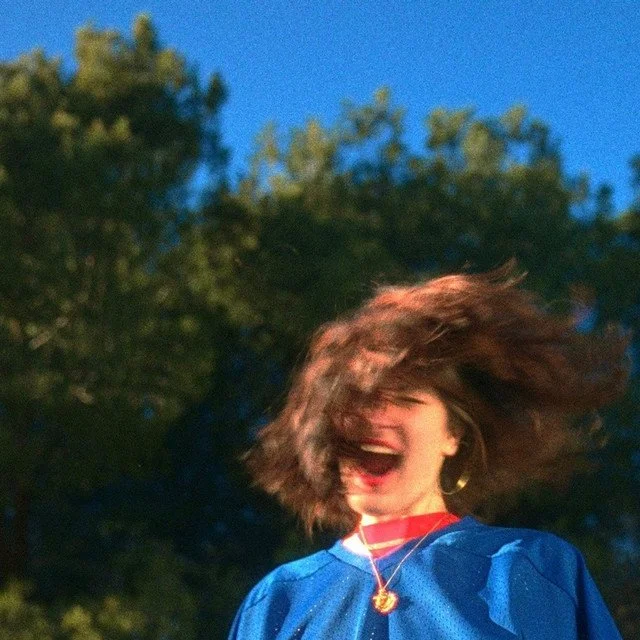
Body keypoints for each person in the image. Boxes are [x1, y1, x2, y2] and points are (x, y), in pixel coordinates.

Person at [228, 266, 629, 639]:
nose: (371, 417)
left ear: (453, 434)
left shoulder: (532, 568)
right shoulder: (275, 602)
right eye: (352, 400)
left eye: (402, 396)